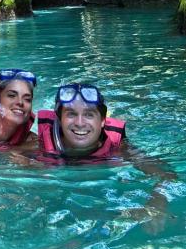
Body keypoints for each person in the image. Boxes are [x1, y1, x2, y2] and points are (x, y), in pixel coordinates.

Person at [35, 82, 176, 233]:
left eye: (89, 114)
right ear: (59, 118)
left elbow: (166, 174)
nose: (80, 123)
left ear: (102, 120)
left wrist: (157, 202)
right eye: (71, 114)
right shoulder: (38, 141)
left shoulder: (118, 146)